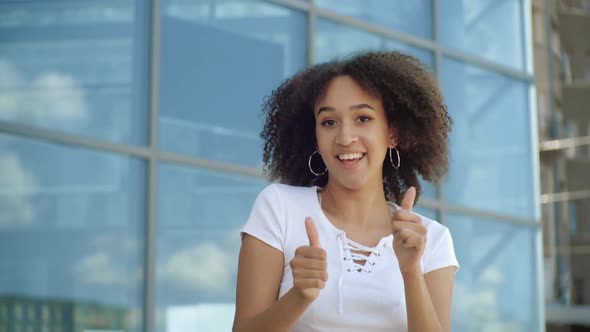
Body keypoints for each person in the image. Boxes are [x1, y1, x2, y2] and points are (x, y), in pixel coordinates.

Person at [232, 51, 459, 332]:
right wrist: (298, 297)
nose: (345, 137)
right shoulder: (279, 208)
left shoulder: (432, 241)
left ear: (393, 133)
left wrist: (411, 273)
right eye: (329, 122)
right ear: (314, 136)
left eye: (363, 118)